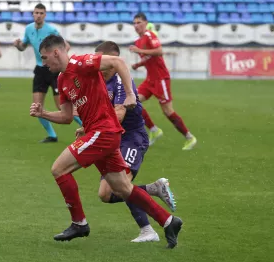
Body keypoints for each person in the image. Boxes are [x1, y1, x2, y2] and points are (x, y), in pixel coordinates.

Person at [30, 34, 183, 249]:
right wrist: (43, 113)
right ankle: (168, 221)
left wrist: (130, 94)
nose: (44, 64)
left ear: (56, 52)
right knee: (122, 188)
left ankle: (79, 223)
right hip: (101, 134)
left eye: (45, 58)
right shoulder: (63, 80)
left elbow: (118, 61)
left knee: (59, 169)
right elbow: (66, 117)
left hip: (104, 132)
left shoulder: (82, 62)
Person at [76, 41, 176, 243]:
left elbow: (119, 114)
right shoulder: (101, 81)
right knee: (105, 194)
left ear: (112, 62)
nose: (98, 67)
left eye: (101, 63)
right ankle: (153, 189)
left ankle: (148, 230)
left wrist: (93, 128)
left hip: (132, 137)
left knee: (122, 185)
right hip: (114, 137)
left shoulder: (123, 81)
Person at [14, 3, 81, 143]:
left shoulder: (51, 30)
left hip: (53, 71)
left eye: (41, 13)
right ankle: (52, 135)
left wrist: (58, 62)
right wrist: (18, 45)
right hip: (40, 70)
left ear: (45, 15)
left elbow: (66, 46)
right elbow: (23, 46)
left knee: (61, 106)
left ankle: (87, 126)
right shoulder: (29, 29)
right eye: (36, 12)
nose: (38, 15)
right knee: (37, 106)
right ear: (33, 14)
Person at [130, 12, 196, 150]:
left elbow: (159, 51)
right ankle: (154, 130)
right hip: (150, 79)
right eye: (134, 23)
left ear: (146, 23)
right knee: (133, 101)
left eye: (139, 22)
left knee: (167, 111)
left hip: (161, 79)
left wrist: (139, 50)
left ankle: (189, 137)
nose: (136, 25)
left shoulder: (149, 36)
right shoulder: (138, 40)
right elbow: (149, 58)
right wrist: (138, 64)